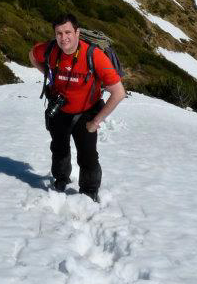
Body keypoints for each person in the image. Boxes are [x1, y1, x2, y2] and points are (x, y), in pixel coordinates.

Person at [29, 13, 125, 201]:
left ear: (77, 32)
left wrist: (96, 121)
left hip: (86, 113)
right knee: (59, 149)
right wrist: (49, 74)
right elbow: (32, 55)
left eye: (68, 32)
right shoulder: (50, 50)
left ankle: (89, 193)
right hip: (59, 109)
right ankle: (61, 178)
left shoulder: (94, 56)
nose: (63, 38)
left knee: (88, 156)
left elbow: (118, 92)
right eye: (59, 33)